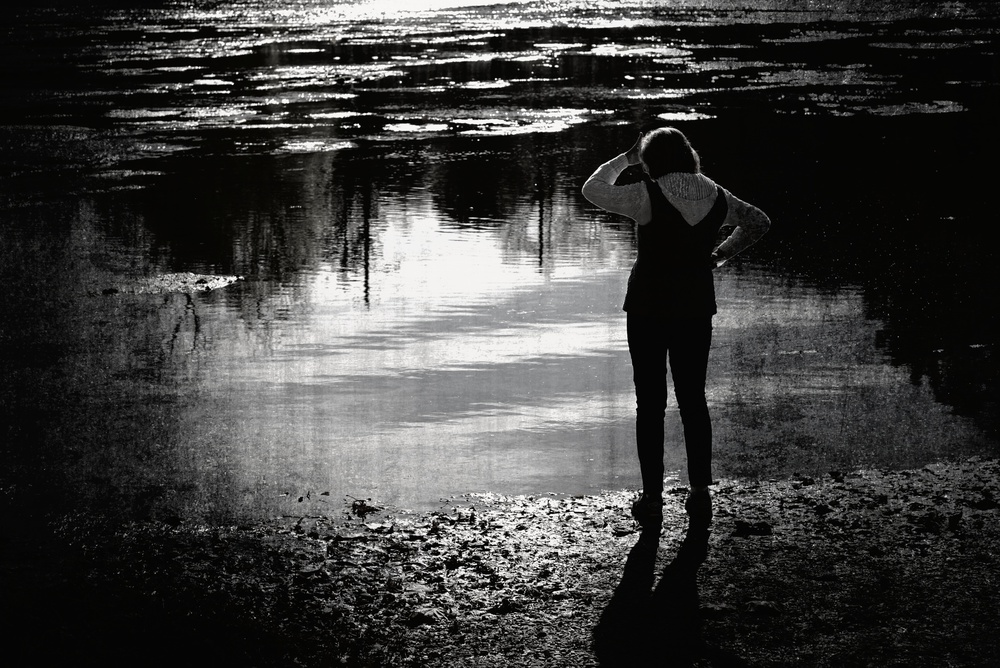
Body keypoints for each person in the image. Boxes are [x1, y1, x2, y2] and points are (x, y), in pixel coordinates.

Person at [582, 126, 770, 528]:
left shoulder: (645, 194)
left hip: (648, 307)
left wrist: (625, 159)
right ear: (688, 155)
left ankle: (652, 499)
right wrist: (720, 255)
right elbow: (759, 221)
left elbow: (592, 189)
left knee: (650, 403)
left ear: (651, 160)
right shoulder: (717, 195)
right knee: (693, 400)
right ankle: (700, 494)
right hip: (695, 306)